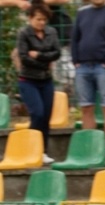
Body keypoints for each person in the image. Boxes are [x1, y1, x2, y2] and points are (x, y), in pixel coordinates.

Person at [71, 0, 105, 162]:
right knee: (86, 107)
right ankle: (90, 149)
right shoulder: (82, 12)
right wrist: (76, 60)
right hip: (83, 67)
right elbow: (75, 39)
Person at [16, 1, 61, 164]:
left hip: (46, 80)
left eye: (44, 20)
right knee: (37, 113)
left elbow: (57, 53)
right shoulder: (23, 33)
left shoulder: (51, 32)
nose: (41, 23)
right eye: (38, 19)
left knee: (46, 117)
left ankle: (43, 151)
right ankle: (31, 148)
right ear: (30, 18)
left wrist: (39, 55)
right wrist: (44, 60)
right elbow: (24, 57)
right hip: (28, 80)